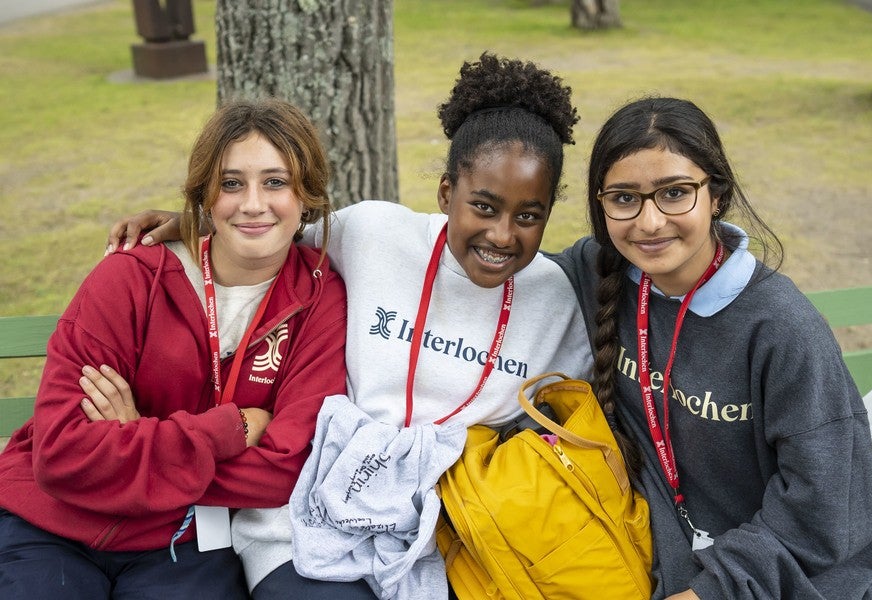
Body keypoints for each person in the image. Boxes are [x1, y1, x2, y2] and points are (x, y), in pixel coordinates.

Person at [103, 54, 648, 599]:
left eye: (528, 216)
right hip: (304, 521)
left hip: (449, 542)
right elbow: (269, 227)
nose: (502, 235)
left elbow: (559, 431)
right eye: (482, 206)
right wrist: (190, 223)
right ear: (445, 194)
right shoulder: (371, 233)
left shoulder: (553, 298)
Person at [549, 96, 872, 598]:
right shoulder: (599, 273)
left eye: (674, 193)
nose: (649, 222)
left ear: (717, 195)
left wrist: (711, 591)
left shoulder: (783, 329)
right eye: (624, 198)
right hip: (662, 568)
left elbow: (826, 509)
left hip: (793, 581)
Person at [0, 99, 348, 599]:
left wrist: (132, 440)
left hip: (185, 538)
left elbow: (283, 470)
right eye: (231, 183)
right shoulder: (129, 277)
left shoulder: (318, 298)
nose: (252, 203)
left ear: (306, 194)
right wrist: (234, 428)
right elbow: (59, 455)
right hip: (50, 523)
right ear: (205, 195)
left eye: (276, 182)